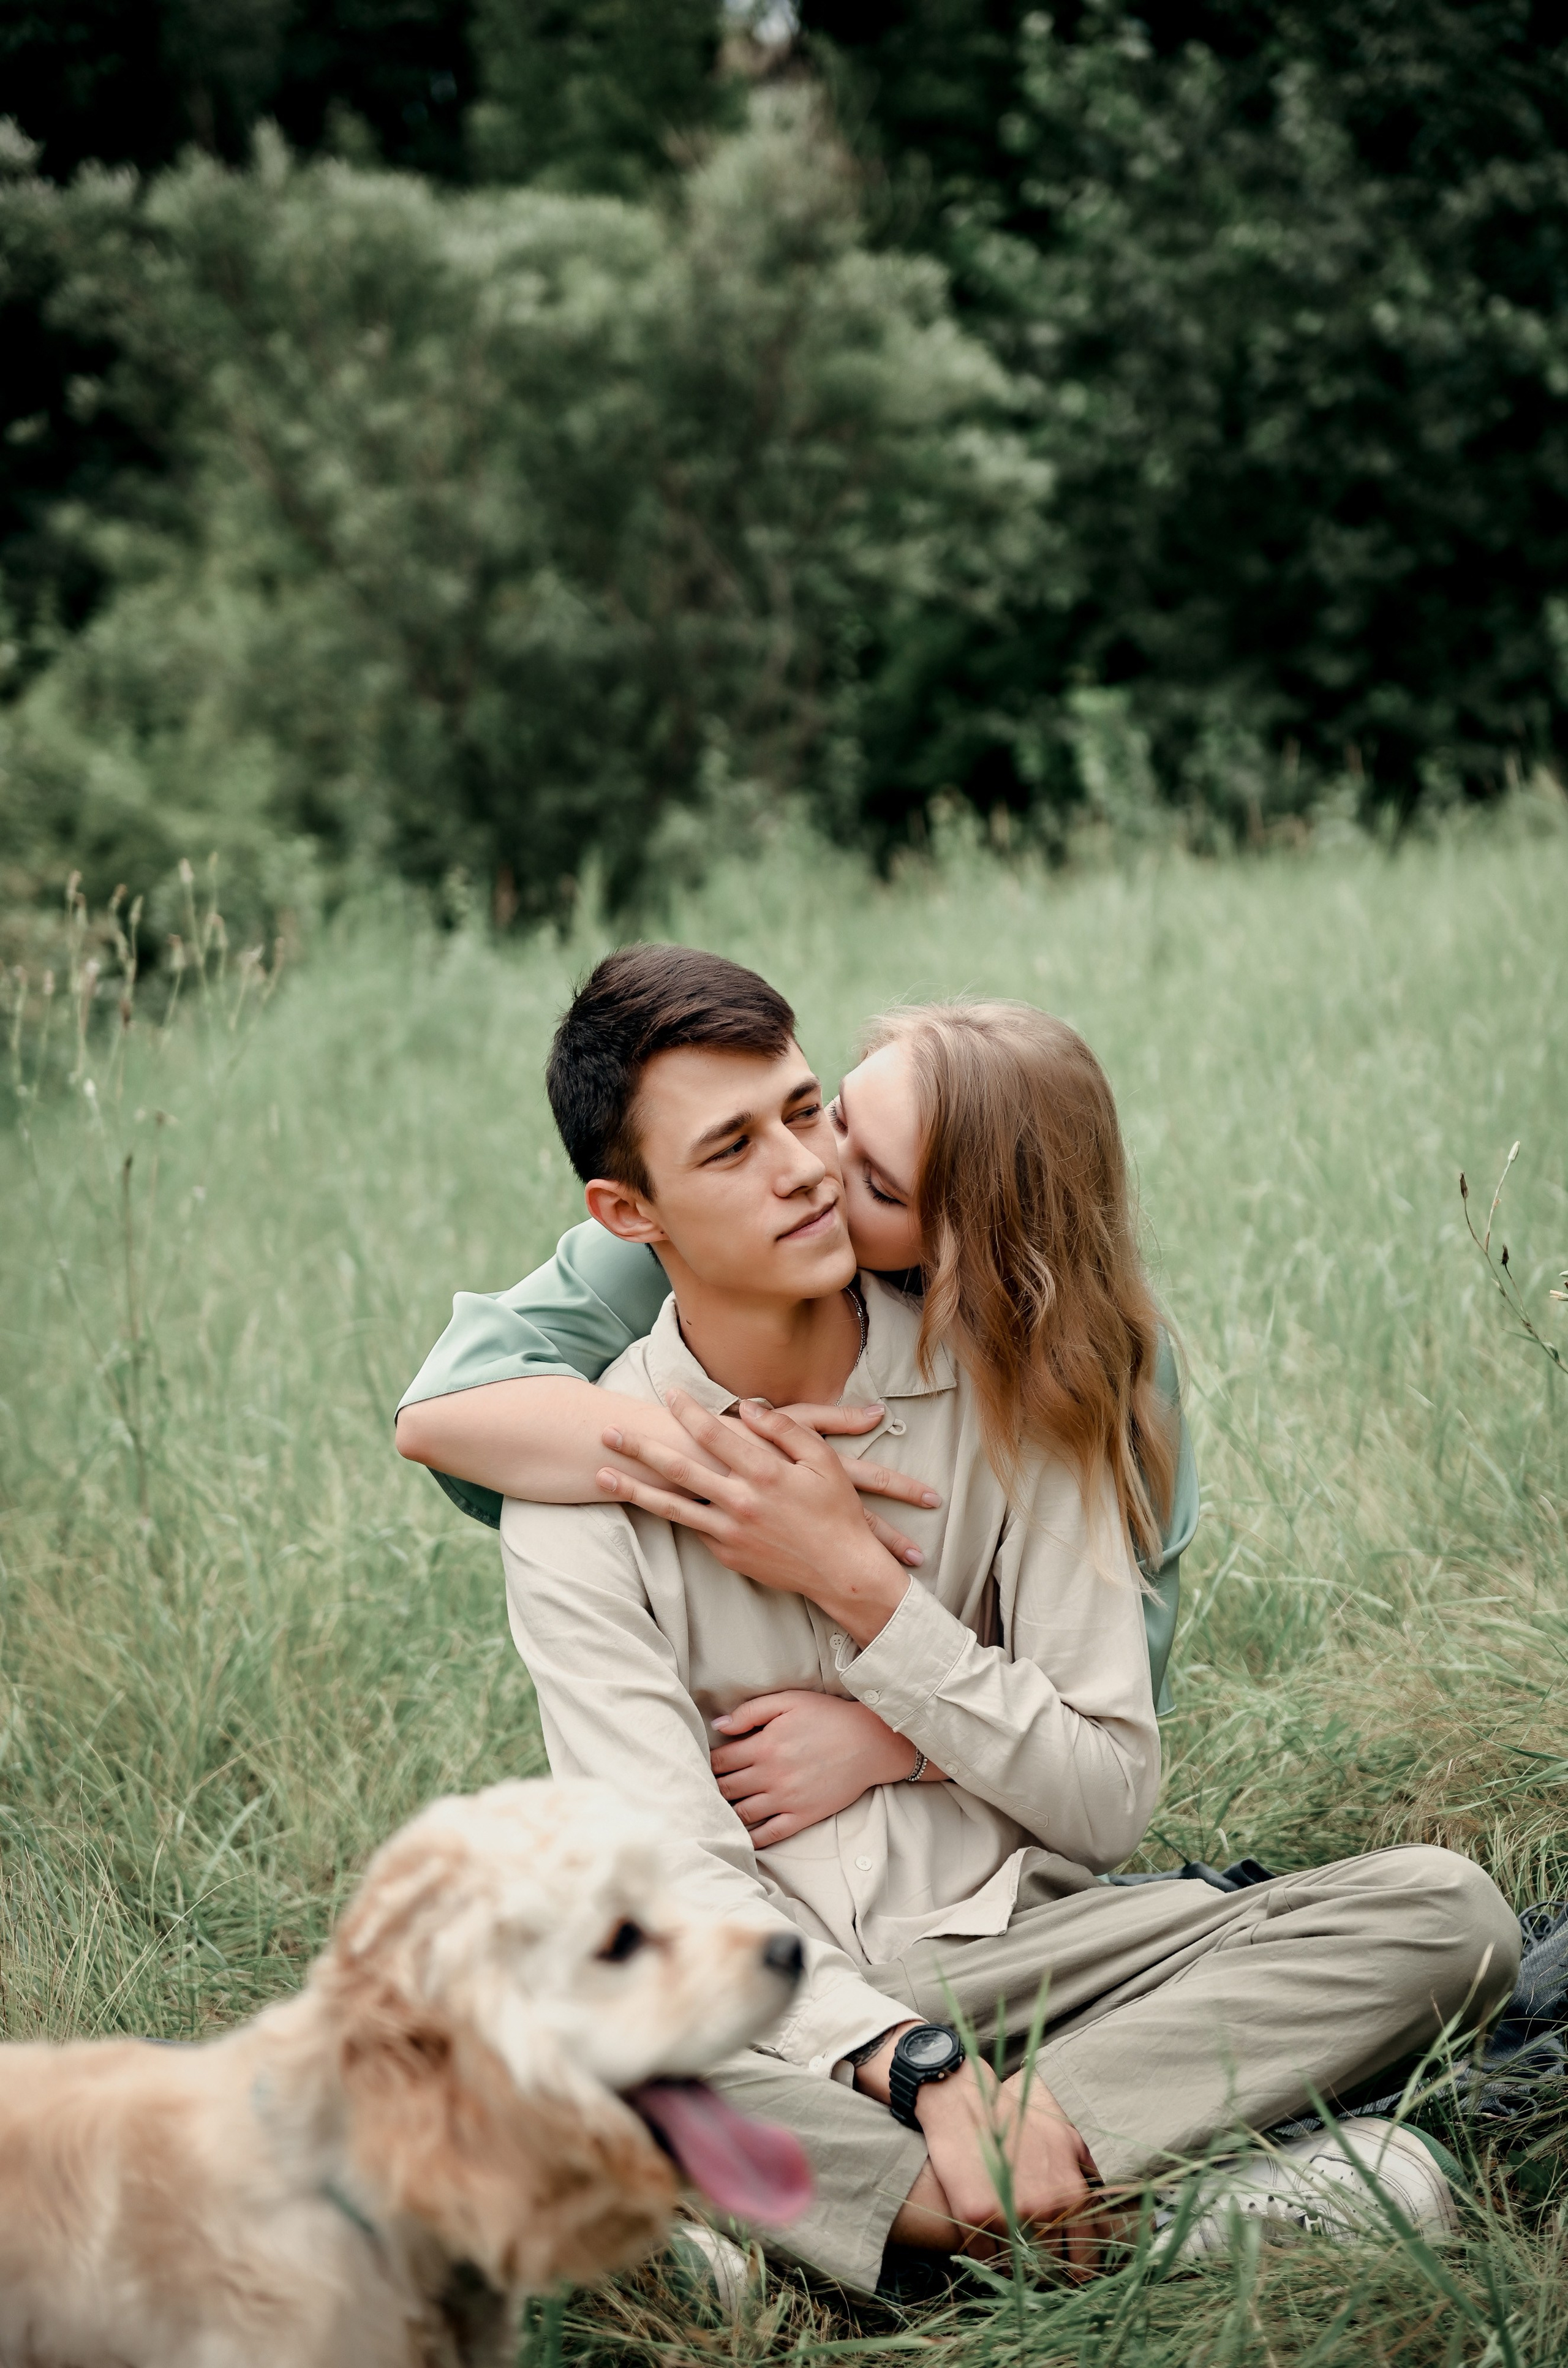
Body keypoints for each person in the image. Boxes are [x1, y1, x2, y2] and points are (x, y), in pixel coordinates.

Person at [406, 945, 1519, 2294]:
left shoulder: (1014, 1386)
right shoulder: (572, 1496)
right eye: (733, 1147)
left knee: (1441, 1911)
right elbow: (673, 1871)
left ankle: (851, 2228)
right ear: (628, 1215)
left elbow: (1105, 1797)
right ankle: (1149, 2209)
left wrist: (871, 1602)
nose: (804, 1168)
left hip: (1020, 1955)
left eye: (807, 1112)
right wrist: (904, 2061)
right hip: (758, 1996)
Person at [396, 989, 1201, 1852]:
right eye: (835, 1114)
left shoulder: (1093, 1381)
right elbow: (441, 1411)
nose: (817, 1168)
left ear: (964, 1252)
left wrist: (902, 1740)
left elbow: (1106, 1754)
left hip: (997, 1864)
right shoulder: (671, 1243)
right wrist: (735, 1463)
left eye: (880, 1187)